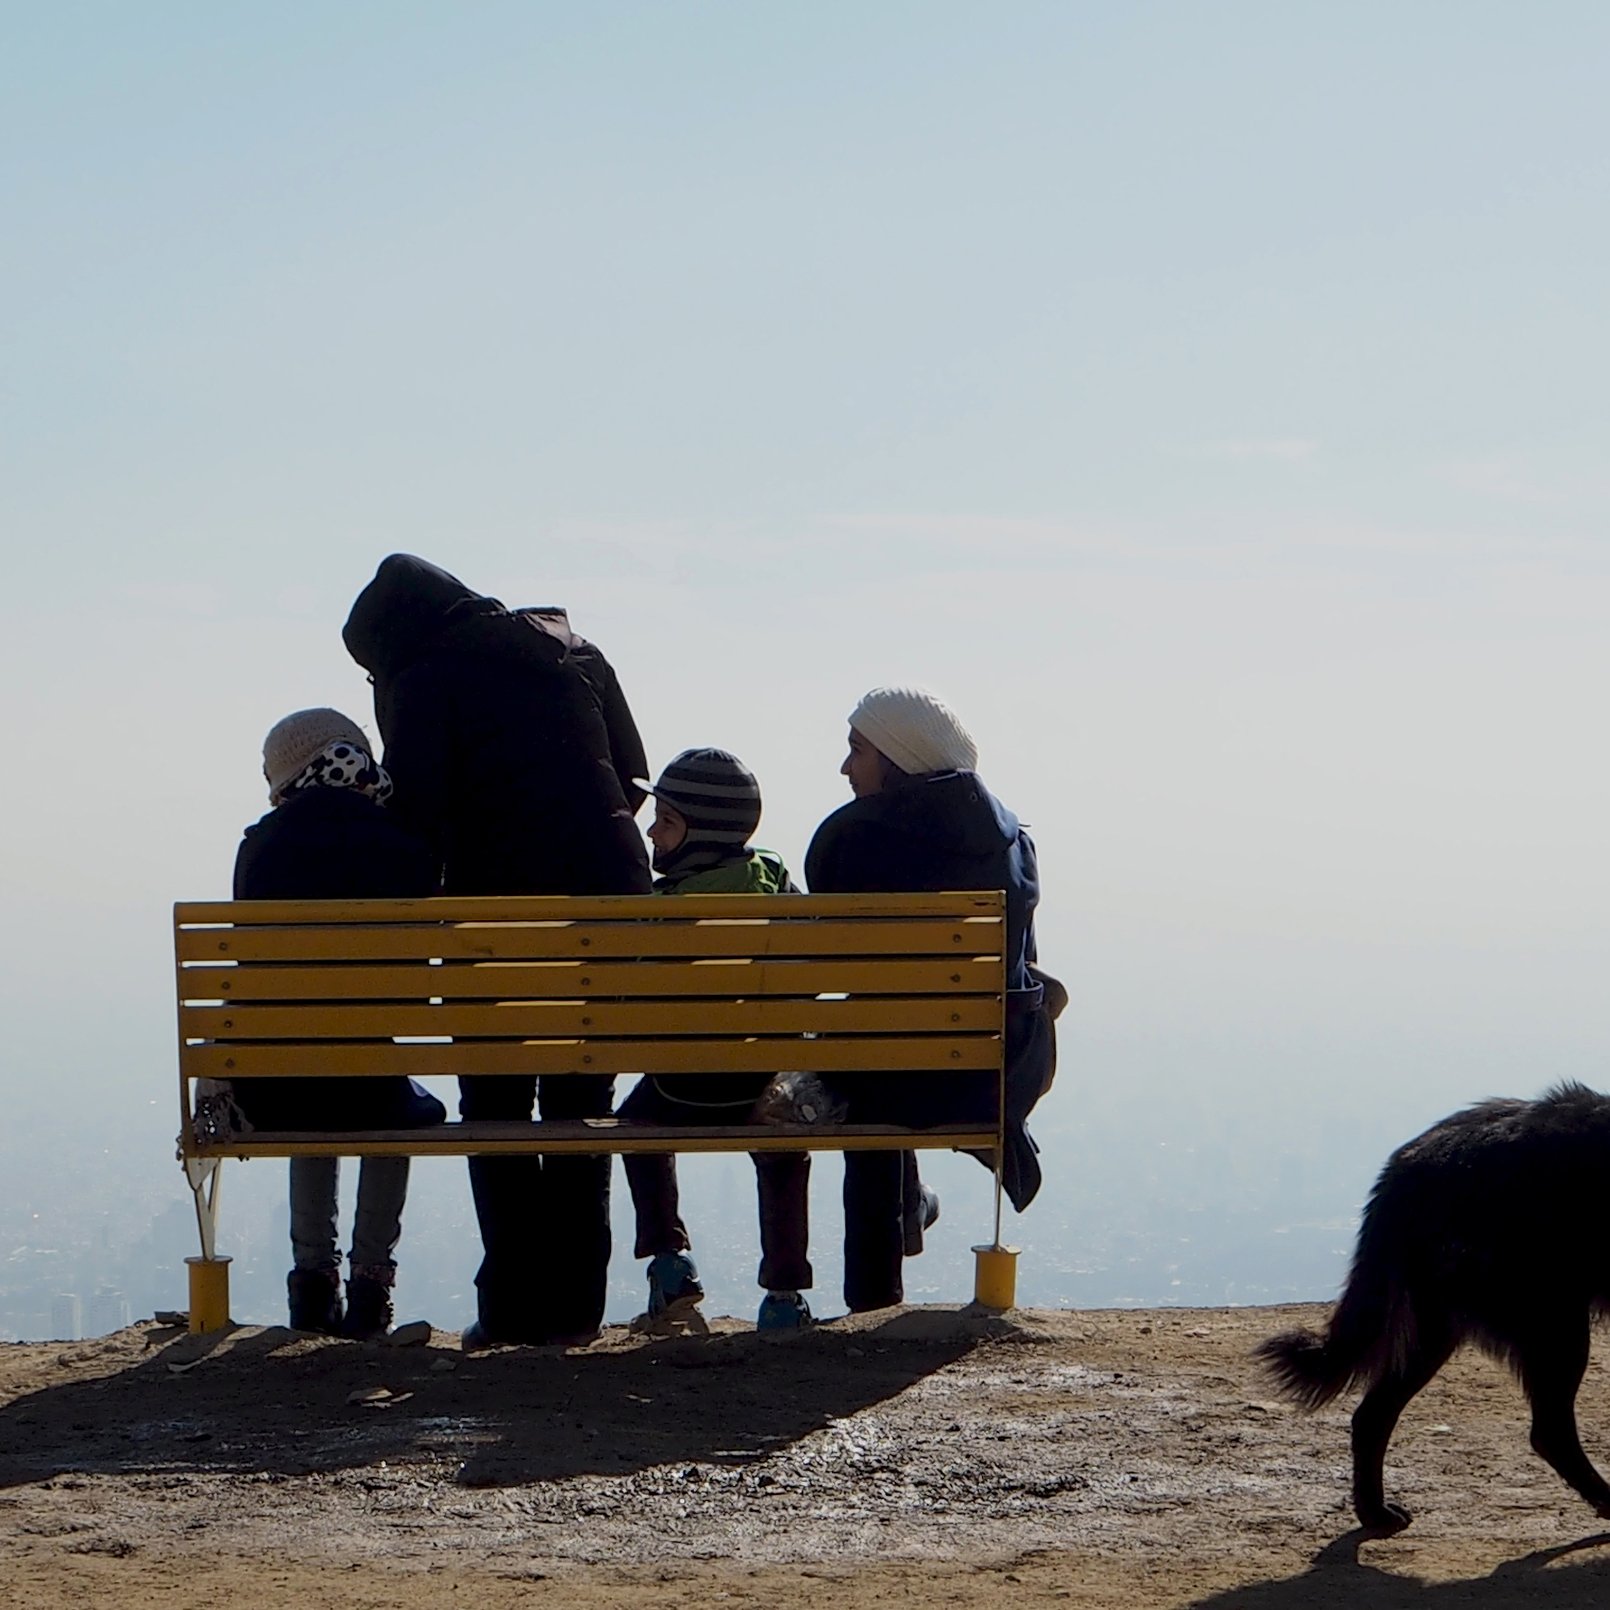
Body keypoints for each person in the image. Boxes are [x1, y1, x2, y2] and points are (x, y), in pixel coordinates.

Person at [342, 555, 652, 1348]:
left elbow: (417, 813)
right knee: (581, 1103)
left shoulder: (425, 677)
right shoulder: (570, 648)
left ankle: (513, 1307)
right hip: (610, 908)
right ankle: (577, 1308)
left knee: (498, 1102)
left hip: (496, 916)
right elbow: (634, 772)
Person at [805, 687, 1060, 1313]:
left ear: (896, 756)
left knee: (875, 1052)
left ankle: (872, 1302)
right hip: (986, 1077)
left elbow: (828, 960)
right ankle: (907, 1215)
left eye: (856, 751)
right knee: (896, 1041)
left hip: (883, 1080)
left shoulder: (846, 838)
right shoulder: (1014, 843)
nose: (845, 769)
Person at [232, 707, 447, 1339]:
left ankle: (310, 1282)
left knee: (311, 1086)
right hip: (372, 1084)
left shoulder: (260, 846)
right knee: (387, 1096)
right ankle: (372, 1283)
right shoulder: (405, 843)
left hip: (280, 1089)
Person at [615, 749, 815, 1332]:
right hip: (763, 1086)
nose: (652, 830)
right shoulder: (774, 880)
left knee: (636, 1129)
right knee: (783, 1150)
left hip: (680, 1089)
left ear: (701, 834)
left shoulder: (661, 909)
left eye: (667, 821)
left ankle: (670, 1265)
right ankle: (783, 1296)